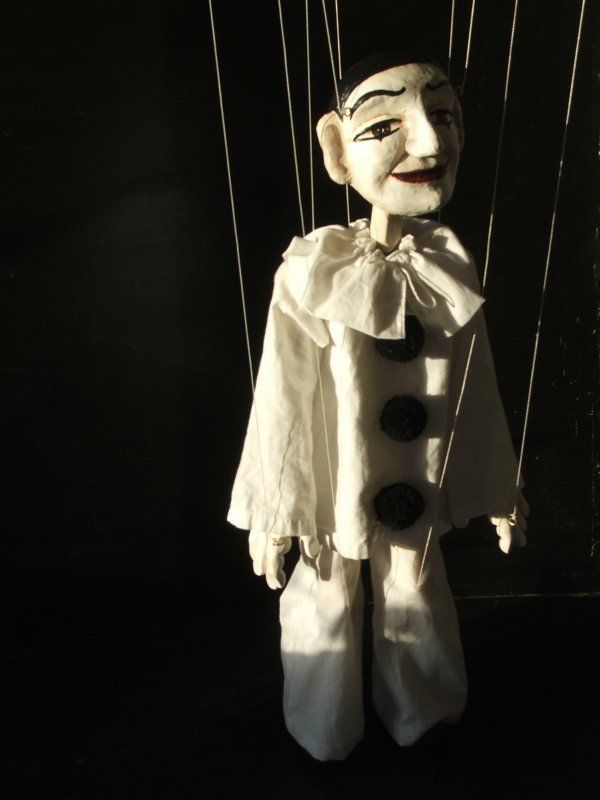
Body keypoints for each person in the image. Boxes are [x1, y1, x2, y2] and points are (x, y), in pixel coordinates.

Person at [226, 51, 528, 762]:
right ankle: (322, 723)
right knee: (326, 593)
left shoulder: (445, 267)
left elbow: (475, 384)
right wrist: (276, 508)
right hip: (334, 476)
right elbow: (282, 394)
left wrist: (498, 487)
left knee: (416, 586)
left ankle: (424, 714)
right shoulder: (315, 270)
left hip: (416, 480)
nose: (427, 141)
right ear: (337, 148)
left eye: (443, 115)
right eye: (385, 124)